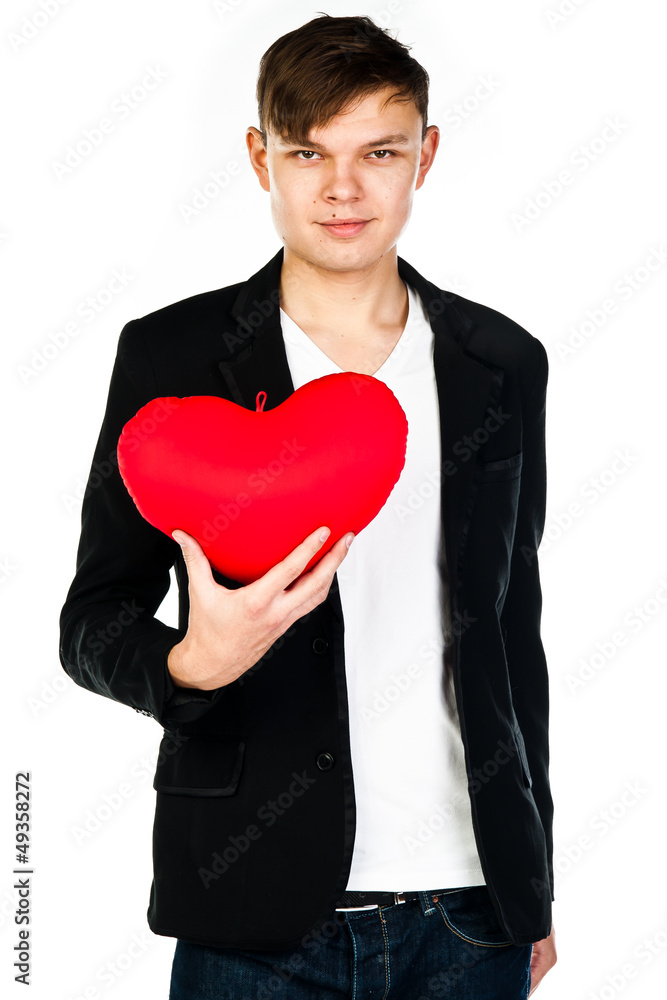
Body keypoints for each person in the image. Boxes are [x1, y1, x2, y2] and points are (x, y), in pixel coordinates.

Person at [59, 13, 557, 999]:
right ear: (260, 158)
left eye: (379, 152)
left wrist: (532, 883)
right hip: (251, 910)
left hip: (471, 911)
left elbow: (513, 625)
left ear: (425, 156)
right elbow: (92, 618)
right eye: (307, 153)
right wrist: (191, 664)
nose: (343, 188)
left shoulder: (502, 361)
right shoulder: (171, 355)